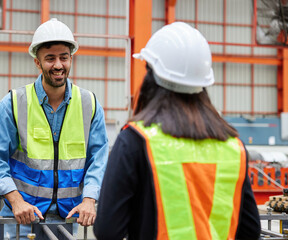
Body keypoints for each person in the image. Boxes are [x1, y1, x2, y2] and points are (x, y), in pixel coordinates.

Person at [94, 22, 261, 240]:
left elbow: (107, 230)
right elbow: (249, 231)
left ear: (151, 76)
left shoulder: (136, 141)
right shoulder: (233, 147)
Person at [0, 18, 109, 239]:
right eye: (50, 58)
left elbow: (99, 158)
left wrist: (89, 200)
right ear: (37, 62)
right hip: (20, 219)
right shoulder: (14, 103)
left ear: (71, 59)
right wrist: (16, 200)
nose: (58, 65)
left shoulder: (89, 104)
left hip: (67, 219)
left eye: (64, 57)